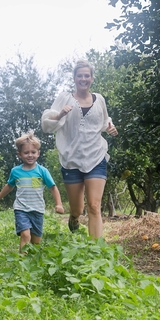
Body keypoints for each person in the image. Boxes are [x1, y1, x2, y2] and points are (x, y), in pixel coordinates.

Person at [41, 60, 118, 239]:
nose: (83, 79)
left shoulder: (99, 99)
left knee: (94, 205)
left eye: (87, 75)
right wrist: (60, 114)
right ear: (74, 78)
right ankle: (74, 218)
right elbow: (46, 123)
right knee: (78, 209)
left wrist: (110, 127)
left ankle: (96, 250)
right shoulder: (65, 98)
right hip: (71, 159)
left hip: (96, 156)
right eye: (80, 75)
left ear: (91, 78)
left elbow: (105, 120)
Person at [0, 131, 65, 252]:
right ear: (20, 154)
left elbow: (53, 187)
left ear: (38, 153)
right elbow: (9, 186)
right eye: (26, 152)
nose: (30, 155)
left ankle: (32, 261)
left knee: (36, 242)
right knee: (25, 235)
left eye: (33, 152)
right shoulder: (15, 171)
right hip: (21, 209)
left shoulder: (42, 171)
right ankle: (22, 262)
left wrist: (59, 204)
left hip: (37, 209)